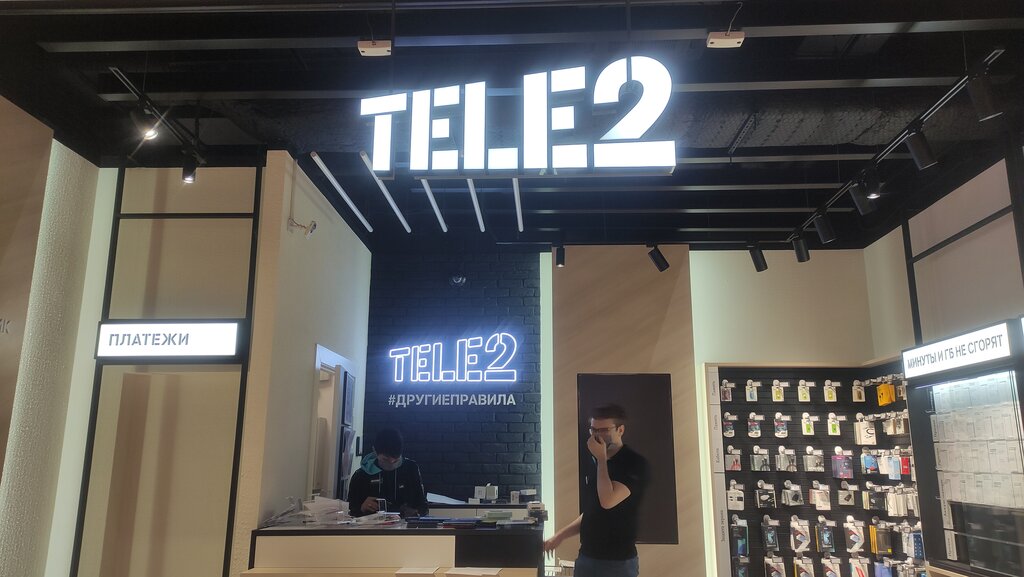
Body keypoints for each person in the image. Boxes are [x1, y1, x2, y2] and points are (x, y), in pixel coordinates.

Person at [543, 404, 648, 577]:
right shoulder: (598, 462)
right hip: (587, 557)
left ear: (620, 430)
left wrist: (601, 460)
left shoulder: (634, 463)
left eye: (604, 430)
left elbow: (607, 501)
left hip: (618, 563)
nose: (598, 436)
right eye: (593, 430)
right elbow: (593, 511)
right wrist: (560, 536)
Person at [347, 428, 427, 518]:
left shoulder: (410, 468)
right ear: (375, 451)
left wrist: (416, 512)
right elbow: (350, 511)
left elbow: (423, 506)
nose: (391, 464)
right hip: (371, 524)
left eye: (396, 460)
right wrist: (361, 507)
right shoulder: (362, 475)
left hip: (404, 524)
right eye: (385, 459)